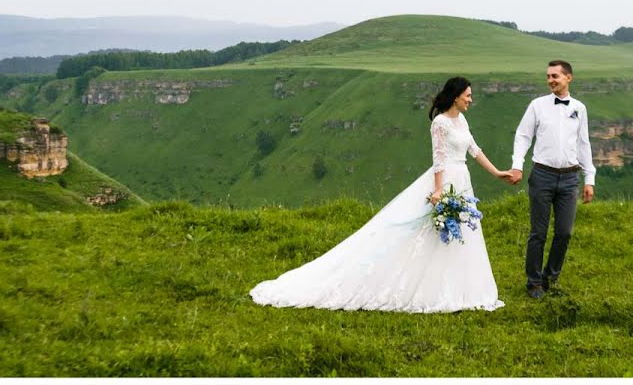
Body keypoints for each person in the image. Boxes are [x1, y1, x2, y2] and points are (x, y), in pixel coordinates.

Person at [250, 76, 512, 313]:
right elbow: (439, 158)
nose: (471, 99)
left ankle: (462, 288)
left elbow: (474, 150)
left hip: (463, 180)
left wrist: (497, 173)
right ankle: (428, 286)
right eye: (467, 95)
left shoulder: (461, 119)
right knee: (432, 232)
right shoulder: (440, 123)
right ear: (456, 96)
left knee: (463, 232)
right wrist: (439, 189)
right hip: (446, 180)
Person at [507, 60, 596, 299]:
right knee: (538, 232)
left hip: (570, 178)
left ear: (569, 78)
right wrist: (517, 166)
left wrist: (590, 178)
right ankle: (534, 283)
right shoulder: (537, 105)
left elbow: (583, 143)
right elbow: (523, 136)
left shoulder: (579, 108)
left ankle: (551, 276)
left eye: (555, 76)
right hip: (542, 175)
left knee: (564, 232)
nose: (550, 80)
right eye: (548, 76)